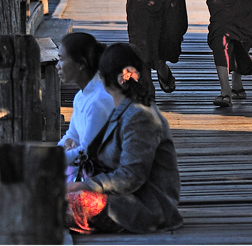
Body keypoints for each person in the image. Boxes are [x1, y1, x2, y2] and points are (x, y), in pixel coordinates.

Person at [65, 43, 182, 235]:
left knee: (61, 202)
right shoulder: (123, 110)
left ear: (104, 79)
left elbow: (131, 176)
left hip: (145, 206)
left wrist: (83, 185)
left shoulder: (140, 116)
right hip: (121, 197)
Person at [58, 33, 116, 181]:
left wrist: (52, 159)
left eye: (61, 59)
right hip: (86, 172)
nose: (57, 66)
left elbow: (87, 153)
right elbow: (71, 135)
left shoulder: (99, 100)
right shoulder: (81, 96)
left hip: (105, 180)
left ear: (81, 64)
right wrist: (64, 144)